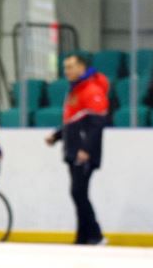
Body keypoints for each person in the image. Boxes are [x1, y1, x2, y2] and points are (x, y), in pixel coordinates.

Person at [45, 53, 110, 245]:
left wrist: (86, 149)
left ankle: (95, 234)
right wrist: (57, 136)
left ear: (81, 67)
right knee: (78, 193)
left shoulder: (91, 90)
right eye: (65, 67)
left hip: (83, 152)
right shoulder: (75, 91)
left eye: (70, 67)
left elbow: (97, 124)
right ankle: (83, 237)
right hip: (74, 149)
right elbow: (72, 121)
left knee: (78, 192)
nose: (67, 71)